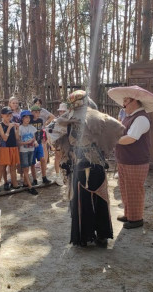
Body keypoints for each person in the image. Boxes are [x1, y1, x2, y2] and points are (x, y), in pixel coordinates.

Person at [48, 90, 124, 247]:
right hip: (96, 162)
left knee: (81, 199)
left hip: (78, 163)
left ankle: (84, 237)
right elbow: (118, 128)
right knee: (101, 199)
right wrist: (103, 144)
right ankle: (103, 235)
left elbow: (52, 135)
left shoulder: (68, 116)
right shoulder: (98, 115)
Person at [108, 85, 153, 229]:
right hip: (125, 160)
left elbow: (131, 138)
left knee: (134, 190)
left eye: (126, 101)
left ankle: (136, 219)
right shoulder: (130, 116)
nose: (123, 105)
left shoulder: (141, 118)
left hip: (136, 162)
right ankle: (129, 214)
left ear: (134, 101)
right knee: (125, 189)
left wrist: (114, 140)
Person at [0, 107, 20, 191]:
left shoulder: (13, 124)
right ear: (2, 115)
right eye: (7, 116)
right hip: (5, 148)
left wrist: (17, 128)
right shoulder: (0, 125)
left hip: (13, 147)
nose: (9, 118)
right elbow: (4, 138)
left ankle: (15, 184)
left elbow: (17, 138)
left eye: (10, 116)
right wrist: (9, 128)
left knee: (13, 167)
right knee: (2, 167)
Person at [30, 105, 51, 185]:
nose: (37, 113)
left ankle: (44, 177)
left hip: (39, 143)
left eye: (38, 112)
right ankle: (34, 179)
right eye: (35, 112)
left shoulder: (40, 120)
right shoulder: (29, 121)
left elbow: (41, 130)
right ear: (31, 112)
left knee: (42, 159)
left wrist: (43, 139)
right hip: (31, 145)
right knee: (32, 163)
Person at [18, 110, 38, 195]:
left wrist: (34, 141)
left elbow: (34, 138)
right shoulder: (20, 128)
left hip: (31, 149)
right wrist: (26, 143)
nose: (28, 119)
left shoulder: (32, 127)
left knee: (28, 166)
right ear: (22, 118)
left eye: (29, 117)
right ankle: (30, 186)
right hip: (24, 150)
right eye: (26, 117)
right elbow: (18, 142)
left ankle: (26, 183)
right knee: (25, 167)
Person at [32, 98, 55, 164]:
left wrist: (46, 123)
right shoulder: (32, 111)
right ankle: (37, 163)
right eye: (36, 103)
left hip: (42, 131)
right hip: (34, 132)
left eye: (39, 103)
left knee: (44, 147)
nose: (37, 104)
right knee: (35, 147)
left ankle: (44, 164)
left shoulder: (43, 111)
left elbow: (52, 117)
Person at [52, 103, 67, 186]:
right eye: (60, 111)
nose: (62, 112)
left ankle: (63, 174)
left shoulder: (70, 120)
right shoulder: (56, 120)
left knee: (65, 157)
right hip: (58, 141)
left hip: (67, 142)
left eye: (63, 111)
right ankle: (58, 175)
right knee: (58, 157)